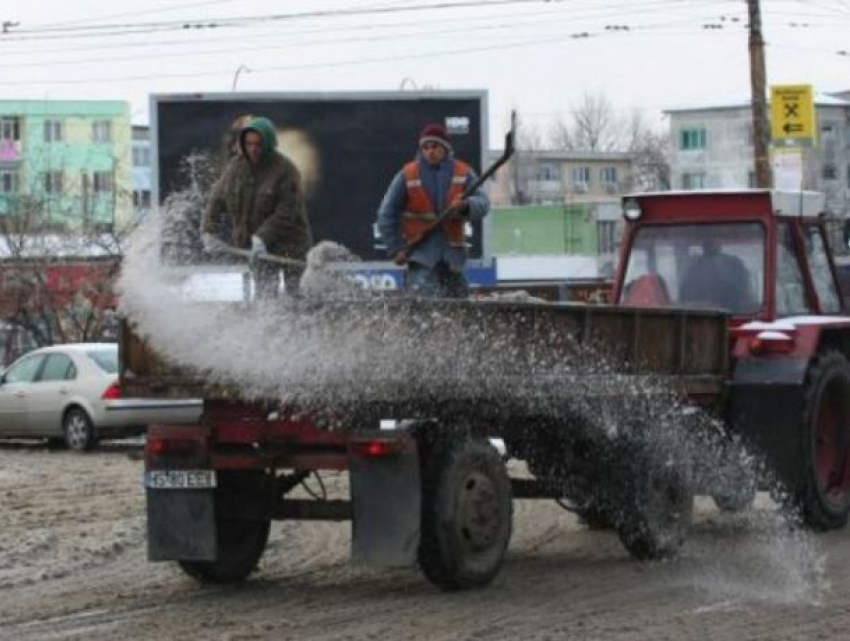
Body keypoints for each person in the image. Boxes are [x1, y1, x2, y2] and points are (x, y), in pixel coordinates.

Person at [201, 116, 312, 297]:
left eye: (258, 144)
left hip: (290, 246)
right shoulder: (235, 168)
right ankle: (267, 325)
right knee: (265, 295)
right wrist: (209, 230)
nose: (253, 149)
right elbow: (217, 199)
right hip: (257, 250)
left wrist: (262, 237)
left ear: (268, 143)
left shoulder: (285, 170)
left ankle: (297, 322)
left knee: (294, 297)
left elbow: (288, 211)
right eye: (249, 144)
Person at [376, 123, 490, 299]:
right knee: (423, 308)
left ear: (445, 148)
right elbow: (386, 213)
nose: (430, 151)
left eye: (435, 146)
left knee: (461, 311)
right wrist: (395, 248)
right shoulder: (408, 174)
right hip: (421, 256)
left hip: (452, 259)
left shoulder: (463, 172)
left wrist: (466, 205)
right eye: (426, 147)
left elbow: (483, 204)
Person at [678, 238, 754, 312]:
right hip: (698, 316)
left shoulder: (734, 263)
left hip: (731, 312)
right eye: (709, 240)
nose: (712, 243)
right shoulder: (693, 266)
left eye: (714, 240)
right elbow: (685, 296)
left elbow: (743, 291)